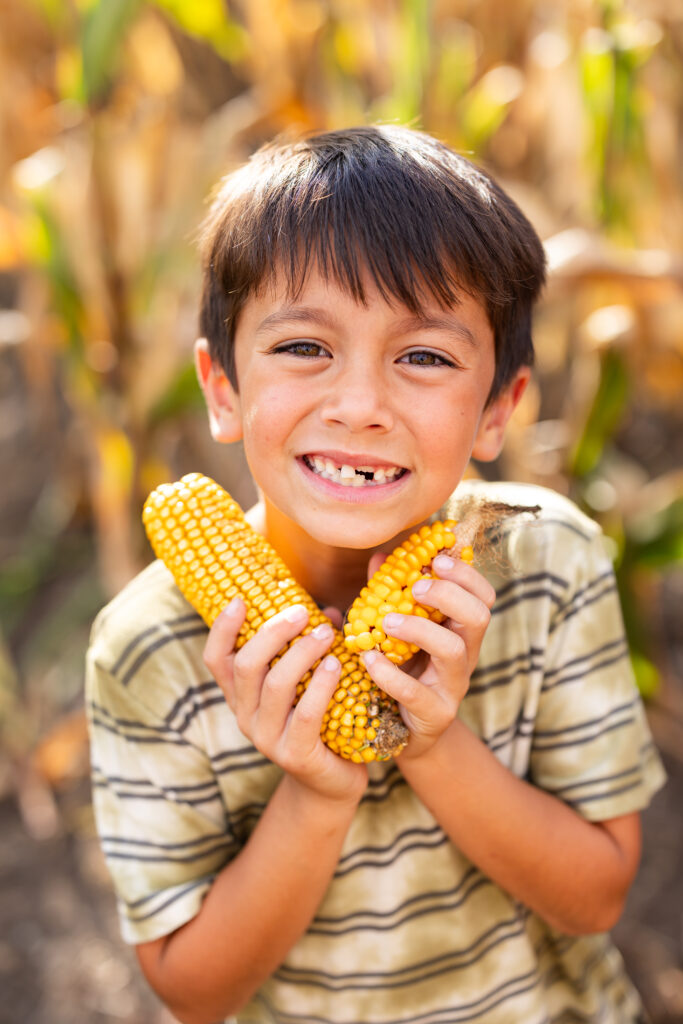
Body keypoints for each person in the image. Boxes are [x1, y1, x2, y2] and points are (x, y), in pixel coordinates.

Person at [86, 125, 666, 1024]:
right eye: (302, 347)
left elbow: (594, 896)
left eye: (424, 357)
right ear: (222, 389)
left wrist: (432, 743)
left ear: (497, 410)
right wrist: (319, 793)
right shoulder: (149, 648)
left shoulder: (550, 563)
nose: (359, 405)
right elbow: (193, 990)